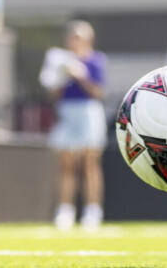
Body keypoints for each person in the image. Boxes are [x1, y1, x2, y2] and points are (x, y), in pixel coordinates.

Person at [42, 21, 107, 230]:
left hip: (88, 112)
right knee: (66, 165)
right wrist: (63, 77)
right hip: (67, 112)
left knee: (90, 164)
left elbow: (98, 93)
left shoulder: (95, 61)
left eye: (79, 38)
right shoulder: (60, 62)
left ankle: (92, 211)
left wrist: (81, 76)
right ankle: (65, 211)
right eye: (72, 37)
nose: (74, 42)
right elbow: (53, 94)